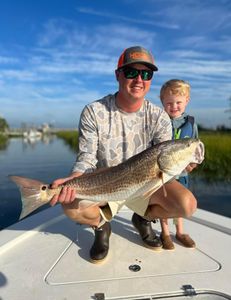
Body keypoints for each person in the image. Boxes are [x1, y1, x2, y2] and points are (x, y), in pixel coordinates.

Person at [50, 46, 198, 263]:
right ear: (118, 75)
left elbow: (166, 159)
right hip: (107, 185)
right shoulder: (94, 111)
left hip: (146, 185)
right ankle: (101, 227)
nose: (139, 79)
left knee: (187, 205)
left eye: (146, 74)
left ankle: (142, 218)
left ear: (150, 80)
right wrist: (77, 175)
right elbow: (87, 155)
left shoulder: (159, 117)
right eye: (131, 72)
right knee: (70, 207)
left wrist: (183, 164)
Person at [159, 79, 198, 250]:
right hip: (164, 174)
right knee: (165, 202)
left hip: (183, 173)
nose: (174, 106)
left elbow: (196, 145)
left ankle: (180, 231)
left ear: (187, 100)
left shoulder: (191, 122)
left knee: (181, 204)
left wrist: (194, 163)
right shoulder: (160, 121)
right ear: (162, 102)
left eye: (178, 102)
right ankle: (165, 232)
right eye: (169, 103)